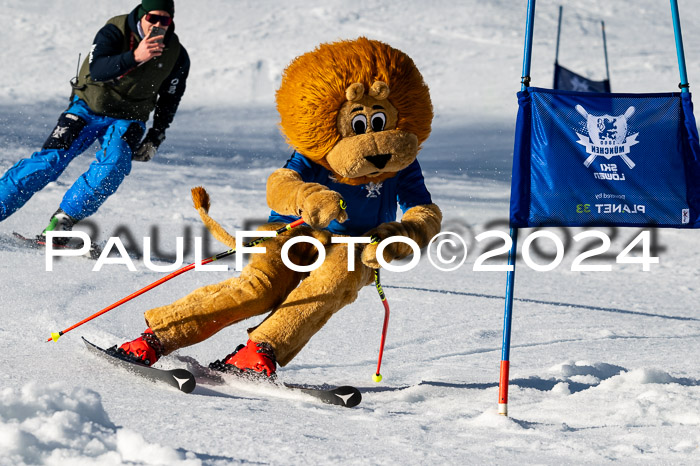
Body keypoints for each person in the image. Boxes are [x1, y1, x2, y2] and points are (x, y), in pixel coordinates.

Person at [0, 0, 189, 244]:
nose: (158, 25)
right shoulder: (114, 30)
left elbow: (170, 99)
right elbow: (98, 68)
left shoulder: (177, 55)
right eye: (153, 18)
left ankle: (63, 221)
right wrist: (136, 56)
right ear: (141, 15)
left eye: (165, 20)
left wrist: (156, 136)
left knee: (116, 163)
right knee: (49, 162)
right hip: (88, 107)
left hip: (129, 117)